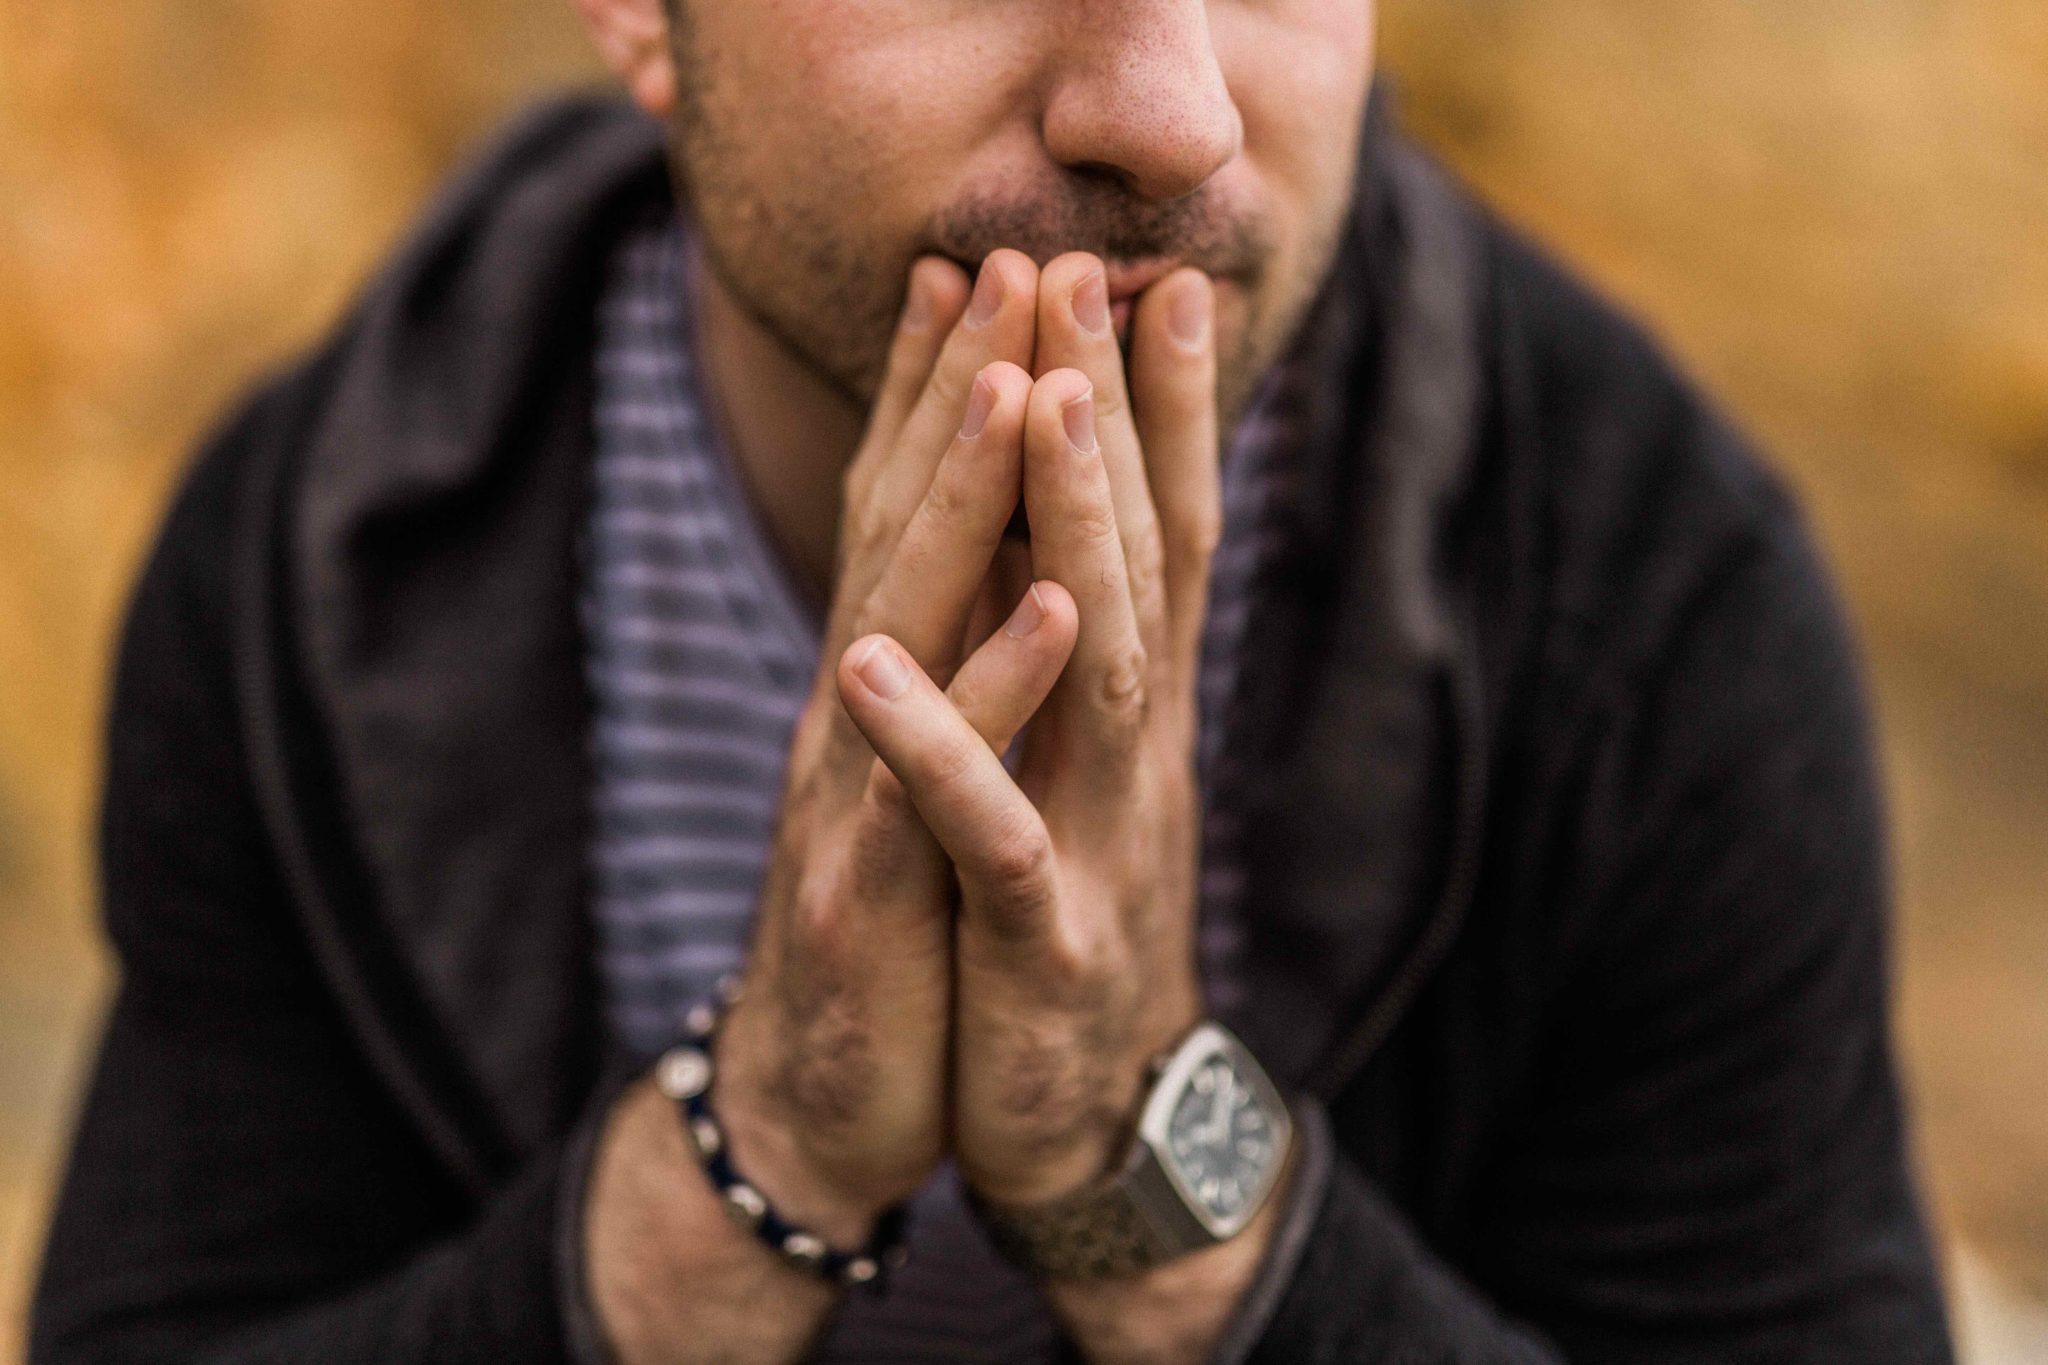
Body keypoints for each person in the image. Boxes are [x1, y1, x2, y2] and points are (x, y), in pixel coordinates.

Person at [30, 1, 1955, 1361]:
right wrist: (752, 1154)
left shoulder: (1630, 584)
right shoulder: (346, 538)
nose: (1176, 110)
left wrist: (1147, 1153)